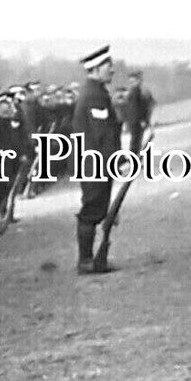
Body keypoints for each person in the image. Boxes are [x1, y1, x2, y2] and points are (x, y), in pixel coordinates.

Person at [73, 45, 122, 274]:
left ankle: (89, 259)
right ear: (94, 69)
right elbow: (103, 134)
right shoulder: (94, 95)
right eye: (107, 66)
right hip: (95, 164)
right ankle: (85, 260)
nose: (112, 70)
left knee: (97, 208)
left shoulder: (96, 92)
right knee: (92, 209)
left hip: (95, 162)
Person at [123, 71, 155, 152]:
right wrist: (142, 120)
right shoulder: (135, 92)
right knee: (136, 141)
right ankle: (134, 159)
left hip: (134, 120)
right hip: (137, 121)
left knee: (136, 141)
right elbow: (136, 108)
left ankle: (134, 157)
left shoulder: (133, 92)